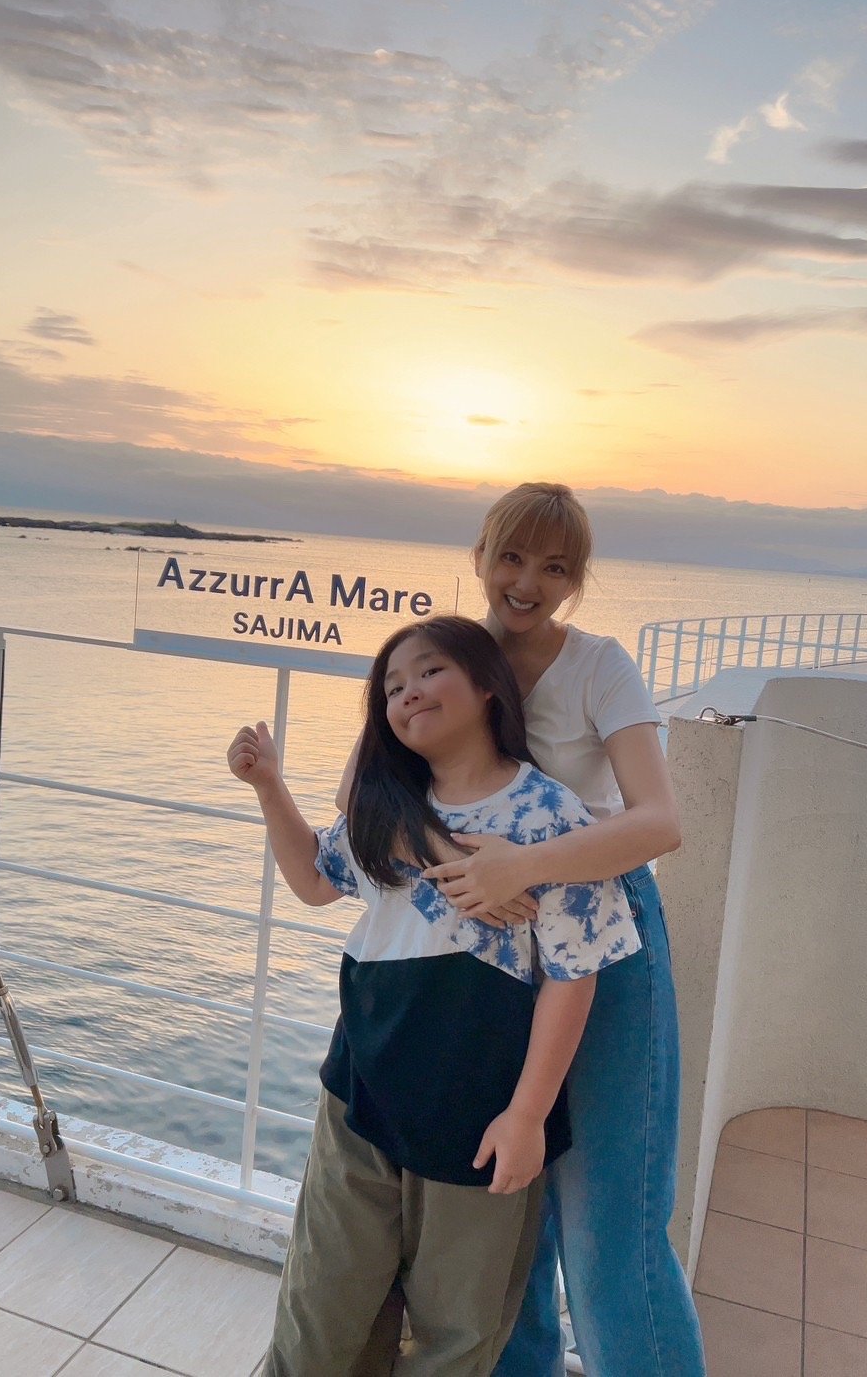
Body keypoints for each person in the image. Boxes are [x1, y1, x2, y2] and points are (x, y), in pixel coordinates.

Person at [228, 615, 643, 1377]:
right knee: (323, 1306)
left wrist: (526, 1115)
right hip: (360, 1092)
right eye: (391, 686)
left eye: (428, 671)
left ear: (486, 685)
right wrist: (269, 785)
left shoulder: (549, 817)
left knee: (457, 1330)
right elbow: (315, 881)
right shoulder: (385, 807)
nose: (409, 692)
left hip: (476, 1114)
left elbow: (573, 972)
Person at [421, 484, 707, 1377]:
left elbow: (658, 820)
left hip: (606, 939)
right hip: (491, 952)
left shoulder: (598, 666)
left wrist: (524, 866)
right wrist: (457, 860)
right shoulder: (447, 660)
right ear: (479, 555)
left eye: (553, 567)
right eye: (511, 557)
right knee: (510, 1212)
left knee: (612, 1227)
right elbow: (389, 792)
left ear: (575, 579)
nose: (526, 582)